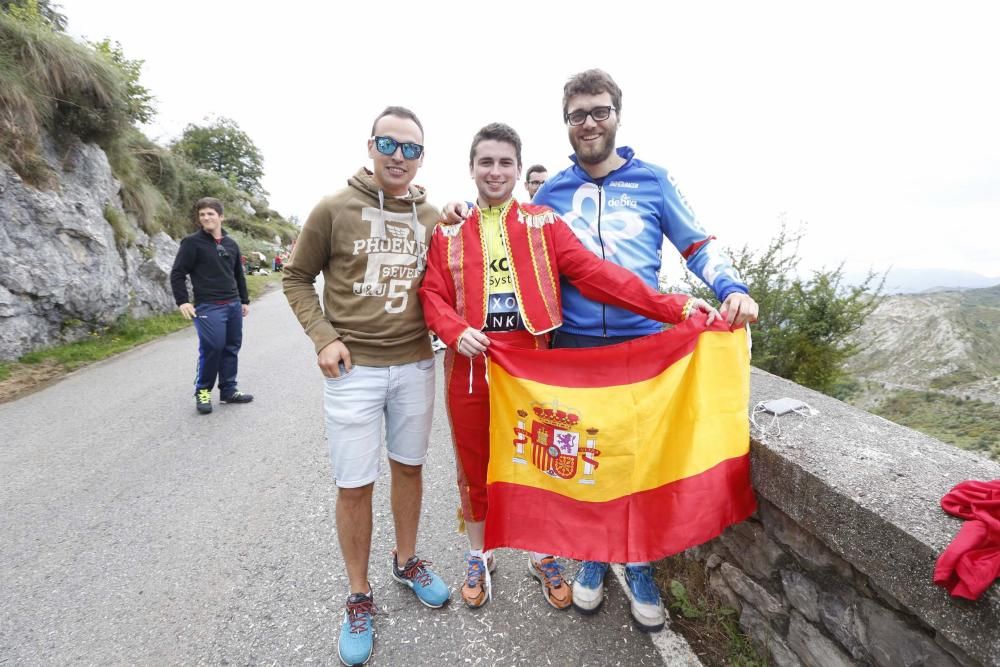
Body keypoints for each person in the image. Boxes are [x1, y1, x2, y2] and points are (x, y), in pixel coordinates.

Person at [440, 69, 760, 632]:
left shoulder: (655, 180)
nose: (588, 123)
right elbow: (503, 237)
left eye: (599, 112)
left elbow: (697, 245)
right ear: (565, 124)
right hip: (571, 351)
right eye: (577, 115)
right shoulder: (550, 194)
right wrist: (454, 211)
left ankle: (637, 565)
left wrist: (728, 289)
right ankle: (589, 554)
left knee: (639, 462)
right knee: (584, 463)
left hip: (643, 346)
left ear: (617, 114)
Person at [282, 106, 448, 667]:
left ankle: (406, 562)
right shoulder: (333, 208)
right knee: (355, 485)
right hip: (353, 371)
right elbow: (295, 276)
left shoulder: (430, 215)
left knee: (409, 468)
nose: (399, 156)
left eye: (411, 148)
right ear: (371, 145)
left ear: (422, 157)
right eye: (389, 144)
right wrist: (323, 336)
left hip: (416, 365)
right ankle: (358, 595)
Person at [169, 197, 253, 415]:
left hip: (233, 304)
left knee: (231, 347)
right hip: (208, 306)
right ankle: (203, 392)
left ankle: (228, 390)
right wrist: (183, 301)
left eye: (210, 214)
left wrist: (244, 300)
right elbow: (178, 273)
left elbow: (238, 275)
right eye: (202, 215)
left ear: (221, 217)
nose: (206, 218)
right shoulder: (192, 242)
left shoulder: (231, 244)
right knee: (213, 347)